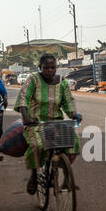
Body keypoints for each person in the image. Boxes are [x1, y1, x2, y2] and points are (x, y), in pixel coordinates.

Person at [14, 53, 82, 195]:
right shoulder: (33, 80)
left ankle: (67, 177)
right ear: (40, 68)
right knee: (38, 145)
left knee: (72, 142)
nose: (50, 70)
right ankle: (34, 175)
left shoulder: (62, 82)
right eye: (46, 68)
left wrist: (74, 114)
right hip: (36, 123)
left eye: (53, 67)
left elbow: (67, 101)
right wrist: (26, 118)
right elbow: (23, 99)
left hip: (56, 122)